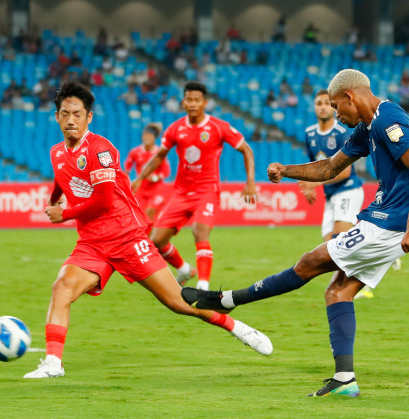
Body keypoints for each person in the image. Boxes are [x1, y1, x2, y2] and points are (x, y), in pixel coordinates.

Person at [181, 69, 409, 397]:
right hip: (384, 219)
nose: (337, 115)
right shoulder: (366, 127)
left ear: (349, 97)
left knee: (309, 262)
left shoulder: (388, 119)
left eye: (336, 106)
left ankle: (227, 300)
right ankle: (345, 379)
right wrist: (287, 170)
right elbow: (329, 167)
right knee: (337, 292)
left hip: (390, 222)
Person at [23, 81, 272, 378]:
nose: (71, 120)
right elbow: (62, 177)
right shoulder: (57, 152)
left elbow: (103, 200)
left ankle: (236, 327)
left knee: (178, 303)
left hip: (126, 236)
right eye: (65, 114)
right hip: (92, 243)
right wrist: (54, 198)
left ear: (89, 117)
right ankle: (53, 363)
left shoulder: (100, 149)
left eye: (77, 114)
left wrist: (64, 213)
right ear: (56, 117)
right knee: (62, 287)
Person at [131, 81, 257, 291]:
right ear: (183, 102)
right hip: (181, 193)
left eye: (197, 100)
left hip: (207, 191)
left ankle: (203, 287)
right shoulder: (176, 128)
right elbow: (159, 156)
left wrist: (250, 182)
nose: (192, 104)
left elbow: (247, 150)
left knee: (200, 232)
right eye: (189, 100)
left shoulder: (218, 127)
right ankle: (184, 269)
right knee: (156, 243)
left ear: (205, 103)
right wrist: (140, 178)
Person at [299, 89, 371, 299]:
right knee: (330, 244)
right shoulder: (309, 134)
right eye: (318, 103)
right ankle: (370, 251)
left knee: (339, 241)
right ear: (314, 107)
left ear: (332, 107)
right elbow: (315, 166)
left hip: (348, 189)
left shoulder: (341, 133)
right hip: (331, 196)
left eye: (325, 103)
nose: (322, 107)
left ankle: (346, 288)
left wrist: (314, 184)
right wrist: (308, 185)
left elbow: (345, 171)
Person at [124, 123, 171, 221]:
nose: (147, 138)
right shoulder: (135, 152)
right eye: (145, 135)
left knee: (150, 212)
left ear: (154, 138)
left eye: (149, 136)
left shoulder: (159, 153)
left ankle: (152, 231)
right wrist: (127, 180)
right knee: (140, 216)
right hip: (141, 188)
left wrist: (156, 177)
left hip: (156, 188)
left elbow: (166, 171)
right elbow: (127, 168)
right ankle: (148, 231)